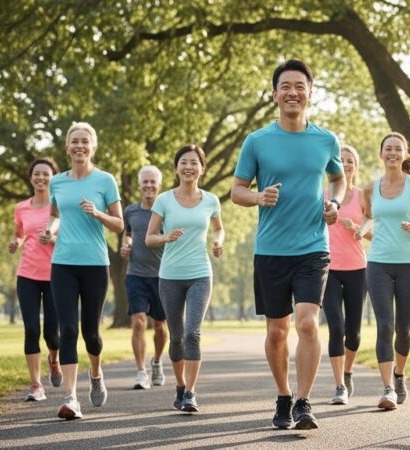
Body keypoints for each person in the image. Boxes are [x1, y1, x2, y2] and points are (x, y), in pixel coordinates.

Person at [231, 59, 346, 430]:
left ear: (310, 92)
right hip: (271, 250)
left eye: (299, 86)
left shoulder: (326, 140)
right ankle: (283, 394)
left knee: (307, 323)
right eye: (285, 86)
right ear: (274, 94)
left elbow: (338, 178)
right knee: (277, 332)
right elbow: (236, 191)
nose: (292, 92)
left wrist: (334, 203)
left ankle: (303, 401)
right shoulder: (257, 141)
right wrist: (258, 197)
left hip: (313, 247)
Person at [39, 122, 124, 420]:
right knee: (68, 330)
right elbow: (54, 214)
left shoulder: (105, 180)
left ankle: (96, 373)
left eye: (85, 141)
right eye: (74, 141)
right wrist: (50, 230)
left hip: (95, 265)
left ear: (93, 147)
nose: (79, 146)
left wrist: (98, 213)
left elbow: (119, 224)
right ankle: (71, 398)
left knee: (91, 334)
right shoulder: (57, 183)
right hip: (62, 264)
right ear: (67, 147)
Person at [146, 144, 224, 413]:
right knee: (177, 336)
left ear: (202, 168)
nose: (189, 167)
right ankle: (180, 386)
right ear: (176, 168)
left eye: (194, 163)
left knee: (193, 333)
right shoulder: (164, 200)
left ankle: (190, 393)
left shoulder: (211, 200)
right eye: (184, 162)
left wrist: (218, 242)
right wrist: (166, 237)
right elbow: (149, 237)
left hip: (200, 273)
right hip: (170, 276)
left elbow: (219, 229)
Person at [361, 131, 410, 410]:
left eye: (397, 149)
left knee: (404, 329)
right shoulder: (370, 188)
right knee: (385, 325)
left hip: (409, 264)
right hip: (378, 263)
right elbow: (367, 217)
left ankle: (400, 374)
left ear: (404, 154)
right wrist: (361, 230)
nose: (392, 153)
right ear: (381, 154)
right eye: (388, 148)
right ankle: (387, 388)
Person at [9, 157, 62, 402]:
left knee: (52, 334)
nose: (41, 178)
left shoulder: (60, 205)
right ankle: (36, 384)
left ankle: (54, 359)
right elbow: (20, 233)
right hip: (27, 275)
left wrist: (52, 238)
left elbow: (70, 238)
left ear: (52, 178)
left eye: (45, 174)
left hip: (55, 276)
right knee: (31, 329)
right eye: (37, 174)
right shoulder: (21, 208)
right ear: (31, 178)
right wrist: (15, 242)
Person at [323, 145, 368, 405]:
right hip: (328, 269)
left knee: (353, 332)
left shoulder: (362, 196)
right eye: (341, 160)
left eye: (350, 160)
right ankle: (339, 384)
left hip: (357, 269)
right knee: (336, 327)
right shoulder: (322, 195)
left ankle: (348, 372)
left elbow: (373, 230)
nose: (346, 164)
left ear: (356, 166)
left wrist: (358, 228)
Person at [121, 165, 168, 390]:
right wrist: (126, 245)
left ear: (159, 185)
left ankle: (157, 362)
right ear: (140, 185)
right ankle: (141, 371)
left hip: (162, 275)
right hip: (136, 274)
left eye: (153, 182)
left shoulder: (167, 211)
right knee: (139, 321)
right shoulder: (130, 211)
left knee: (160, 326)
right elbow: (128, 233)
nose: (149, 185)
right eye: (145, 182)